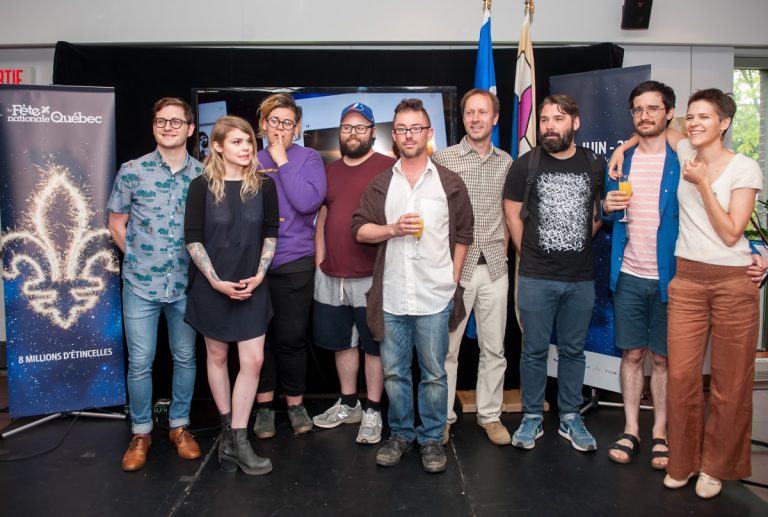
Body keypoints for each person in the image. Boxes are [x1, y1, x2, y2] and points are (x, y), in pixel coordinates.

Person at [610, 89, 764, 499]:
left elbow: (732, 231)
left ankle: (715, 467)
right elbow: (653, 129)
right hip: (687, 281)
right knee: (681, 377)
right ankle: (684, 460)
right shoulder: (684, 154)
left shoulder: (743, 167)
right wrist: (621, 147)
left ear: (724, 123)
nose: (694, 123)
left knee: (730, 383)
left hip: (733, 280)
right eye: (692, 117)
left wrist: (702, 185)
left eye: (705, 117)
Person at [352, 98, 473, 473]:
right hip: (391, 297)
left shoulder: (449, 182)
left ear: (429, 133)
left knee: (435, 374)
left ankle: (432, 439)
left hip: (434, 297)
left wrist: (452, 279)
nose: (408, 135)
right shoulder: (382, 183)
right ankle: (402, 434)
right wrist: (391, 229)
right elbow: (359, 229)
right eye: (402, 129)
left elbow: (464, 233)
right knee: (395, 373)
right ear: (395, 135)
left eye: (415, 128)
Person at [504, 94, 604, 453]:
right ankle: (532, 417)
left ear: (575, 123)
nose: (549, 125)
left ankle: (569, 416)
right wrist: (526, 252)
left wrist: (575, 240)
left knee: (574, 351)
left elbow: (597, 214)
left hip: (579, 278)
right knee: (533, 350)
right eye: (544, 119)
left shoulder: (594, 163)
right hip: (535, 276)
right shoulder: (525, 165)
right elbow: (512, 213)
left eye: (558, 119)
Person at [107, 97, 202, 471]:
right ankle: (142, 431)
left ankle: (179, 426)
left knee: (185, 358)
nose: (168, 127)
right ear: (154, 127)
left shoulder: (203, 174)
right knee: (141, 363)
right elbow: (117, 223)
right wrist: (136, 258)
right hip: (140, 285)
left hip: (186, 284)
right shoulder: (132, 171)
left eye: (176, 122)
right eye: (161, 121)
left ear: (190, 129)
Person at [184, 116, 278, 476]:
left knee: (252, 361)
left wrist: (260, 275)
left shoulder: (265, 186)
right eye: (237, 142)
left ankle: (239, 437)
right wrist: (215, 280)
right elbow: (192, 238)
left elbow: (271, 233)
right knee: (218, 356)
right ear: (218, 146)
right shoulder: (199, 187)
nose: (246, 148)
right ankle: (227, 435)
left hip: (252, 284)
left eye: (249, 142)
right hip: (213, 286)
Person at [602, 81, 679, 469]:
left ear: (668, 113)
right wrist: (607, 205)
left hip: (673, 278)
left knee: (663, 360)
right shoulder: (620, 162)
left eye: (652, 108)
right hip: (629, 273)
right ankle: (631, 427)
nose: (645, 116)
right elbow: (607, 214)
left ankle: (660, 432)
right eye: (638, 110)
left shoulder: (683, 160)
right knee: (632, 354)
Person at [432, 89, 512, 446]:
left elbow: (509, 213)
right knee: (447, 349)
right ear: (462, 118)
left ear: (495, 118)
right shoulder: (444, 159)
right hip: (455, 270)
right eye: (469, 113)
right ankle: (444, 418)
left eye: (483, 113)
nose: (476, 119)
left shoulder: (507, 162)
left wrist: (506, 251)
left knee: (494, 349)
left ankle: (490, 416)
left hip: (495, 268)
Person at [311, 103, 395, 444]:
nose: (354, 133)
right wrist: (320, 259)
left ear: (373, 131)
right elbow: (323, 218)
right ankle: (349, 405)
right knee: (342, 344)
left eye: (361, 127)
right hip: (331, 275)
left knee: (374, 346)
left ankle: (373, 410)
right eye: (347, 127)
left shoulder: (390, 168)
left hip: (374, 275)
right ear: (339, 132)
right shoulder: (328, 172)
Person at [253, 93, 327, 438]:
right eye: (274, 121)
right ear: (264, 125)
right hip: (254, 267)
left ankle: (295, 404)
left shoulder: (308, 158)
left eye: (287, 122)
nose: (280, 128)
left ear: (297, 128)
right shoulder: (249, 159)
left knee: (291, 340)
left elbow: (308, 203)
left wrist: (282, 161)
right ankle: (264, 408)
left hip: (294, 262)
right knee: (259, 341)